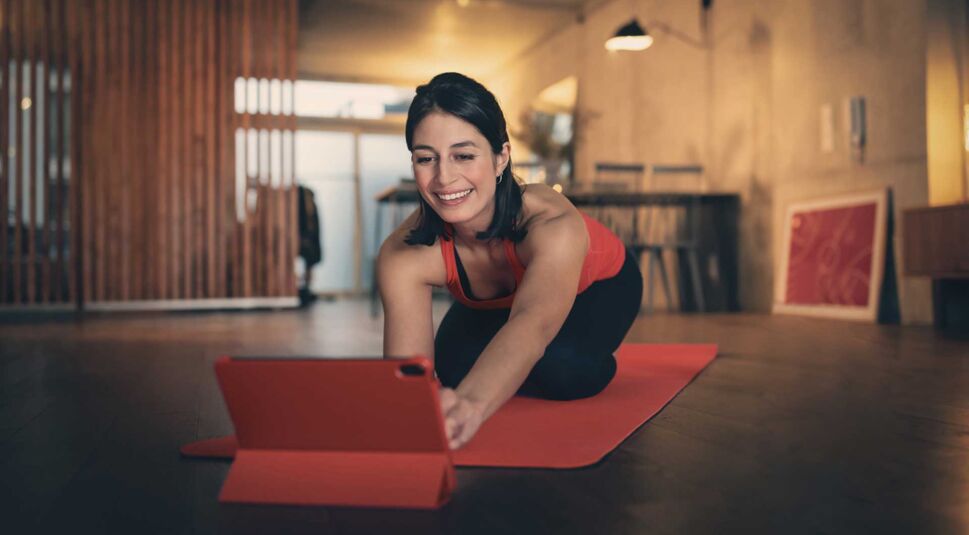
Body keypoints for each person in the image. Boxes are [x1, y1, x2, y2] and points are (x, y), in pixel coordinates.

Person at [377, 72, 643, 451]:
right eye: (426, 159)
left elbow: (531, 323)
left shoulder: (550, 223)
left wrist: (470, 406)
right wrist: (411, 412)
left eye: (464, 155)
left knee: (561, 367)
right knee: (453, 371)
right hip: (501, 302)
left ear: (501, 157)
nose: (444, 178)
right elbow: (408, 377)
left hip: (602, 285)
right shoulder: (404, 252)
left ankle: (596, 357)